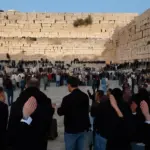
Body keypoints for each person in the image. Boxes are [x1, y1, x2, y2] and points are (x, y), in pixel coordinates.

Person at [7, 77, 55, 150]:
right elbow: (47, 122)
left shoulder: (17, 103)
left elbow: (12, 126)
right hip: (39, 141)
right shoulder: (45, 101)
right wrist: (51, 110)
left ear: (26, 86)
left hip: (20, 142)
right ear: (38, 86)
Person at [57, 76, 90, 150]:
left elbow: (60, 112)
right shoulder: (85, 96)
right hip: (83, 128)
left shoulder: (67, 98)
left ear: (69, 85)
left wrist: (58, 108)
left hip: (71, 129)